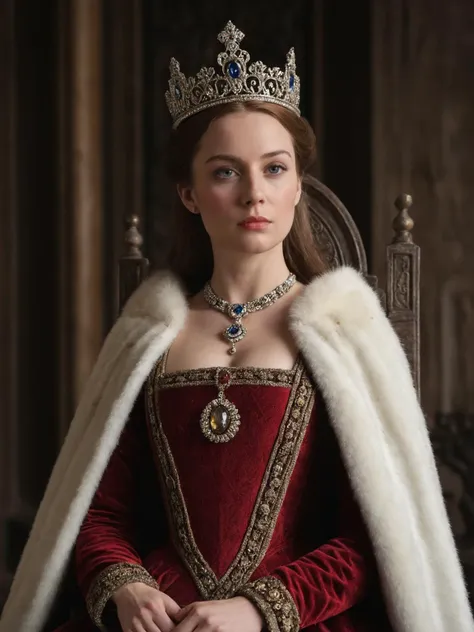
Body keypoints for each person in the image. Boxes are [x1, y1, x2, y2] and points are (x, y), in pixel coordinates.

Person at [0, 20, 472, 632]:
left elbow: (374, 535)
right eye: (225, 172)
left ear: (298, 184)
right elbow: (98, 511)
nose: (254, 193)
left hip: (302, 616)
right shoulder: (148, 334)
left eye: (274, 169)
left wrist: (258, 609)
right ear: (190, 193)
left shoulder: (343, 334)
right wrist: (127, 585)